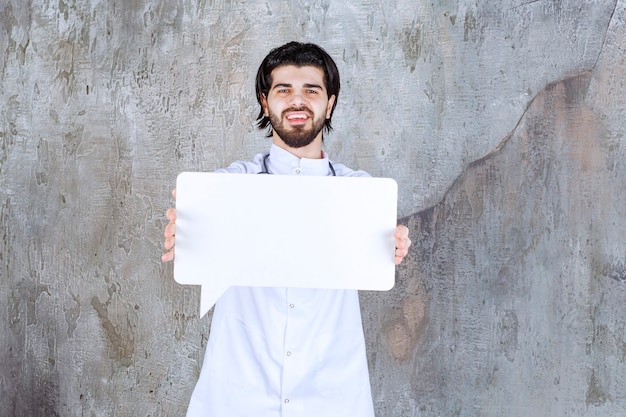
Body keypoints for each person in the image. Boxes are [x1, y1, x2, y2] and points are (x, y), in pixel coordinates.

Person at [162, 41, 411, 417]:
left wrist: (391, 246)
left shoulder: (361, 193)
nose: (298, 101)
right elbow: (195, 222)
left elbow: (379, 249)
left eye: (311, 90)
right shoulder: (227, 185)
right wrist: (185, 232)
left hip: (331, 396)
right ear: (265, 102)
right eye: (283, 90)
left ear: (330, 103)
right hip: (237, 395)